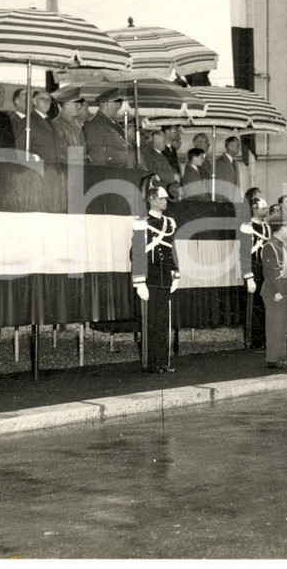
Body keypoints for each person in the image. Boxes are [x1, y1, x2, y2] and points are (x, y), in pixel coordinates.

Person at [131, 181, 181, 373]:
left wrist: (176, 274)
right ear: (151, 199)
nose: (165, 201)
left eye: (166, 198)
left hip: (164, 277)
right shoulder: (142, 223)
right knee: (150, 321)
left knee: (163, 321)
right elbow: (137, 253)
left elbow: (172, 251)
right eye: (161, 198)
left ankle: (162, 361)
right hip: (149, 277)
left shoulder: (170, 223)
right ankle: (150, 363)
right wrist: (139, 281)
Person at [261, 215, 287, 369]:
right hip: (275, 292)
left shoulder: (283, 245)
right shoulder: (270, 246)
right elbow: (270, 272)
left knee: (283, 327)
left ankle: (281, 358)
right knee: (275, 326)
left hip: (286, 290)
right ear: (280, 228)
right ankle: (272, 359)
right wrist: (277, 292)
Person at [241, 193, 270, 350]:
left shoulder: (266, 227)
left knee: (264, 306)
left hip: (265, 270)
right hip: (253, 270)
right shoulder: (247, 227)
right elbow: (244, 252)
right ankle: (253, 340)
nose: (266, 210)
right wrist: (248, 276)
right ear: (254, 208)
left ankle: (263, 339)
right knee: (254, 307)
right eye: (263, 208)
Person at [84, 100, 132, 167]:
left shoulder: (113, 123)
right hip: (108, 172)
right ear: (106, 103)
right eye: (116, 103)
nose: (118, 106)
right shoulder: (94, 124)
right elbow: (97, 156)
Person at [20, 89, 60, 162]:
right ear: (34, 101)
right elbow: (20, 149)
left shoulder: (50, 121)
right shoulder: (28, 122)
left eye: (49, 99)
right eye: (43, 99)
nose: (47, 102)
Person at [50, 85, 87, 163]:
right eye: (75, 103)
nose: (79, 106)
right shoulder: (57, 126)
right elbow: (62, 157)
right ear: (64, 105)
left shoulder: (76, 123)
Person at [142, 130, 180, 194]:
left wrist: (176, 174)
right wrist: (173, 177)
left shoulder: (161, 154)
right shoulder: (148, 155)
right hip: (158, 192)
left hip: (167, 190)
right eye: (163, 141)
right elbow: (152, 172)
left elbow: (169, 168)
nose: (165, 143)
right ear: (156, 140)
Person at [212, 135, 242, 200]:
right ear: (230, 146)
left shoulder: (235, 163)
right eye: (237, 145)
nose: (240, 148)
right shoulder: (218, 163)